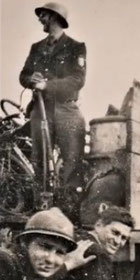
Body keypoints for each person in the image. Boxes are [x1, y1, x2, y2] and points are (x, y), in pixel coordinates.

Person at [19, 2, 87, 207]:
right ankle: (38, 209)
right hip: (40, 110)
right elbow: (23, 76)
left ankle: (68, 210)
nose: (40, 19)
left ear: (55, 18)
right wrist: (32, 79)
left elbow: (77, 81)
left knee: (72, 162)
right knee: (38, 162)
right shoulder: (36, 48)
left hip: (66, 109)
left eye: (44, 16)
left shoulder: (76, 47)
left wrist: (46, 85)